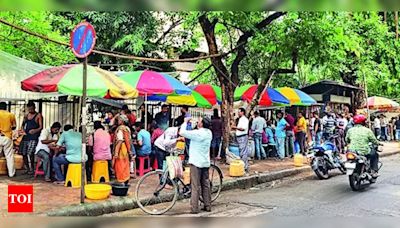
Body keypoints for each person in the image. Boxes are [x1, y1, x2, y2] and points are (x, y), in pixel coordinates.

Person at [179, 116, 212, 214]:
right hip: (205, 162)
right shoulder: (209, 133)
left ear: (201, 124)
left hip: (196, 163)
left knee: (195, 186)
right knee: (205, 185)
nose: (197, 122)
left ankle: (194, 208)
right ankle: (208, 205)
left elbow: (182, 132)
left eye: (199, 121)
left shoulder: (198, 133)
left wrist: (185, 122)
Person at [20, 101, 43, 174]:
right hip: (26, 136)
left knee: (30, 153)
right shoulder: (26, 116)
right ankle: (27, 168)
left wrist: (35, 130)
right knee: (23, 153)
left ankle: (32, 168)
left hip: (34, 137)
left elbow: (41, 127)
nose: (30, 110)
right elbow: (23, 125)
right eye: (29, 109)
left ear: (34, 108)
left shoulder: (38, 115)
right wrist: (22, 131)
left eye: (32, 109)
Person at [112, 115, 133, 184]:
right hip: (126, 149)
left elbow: (120, 140)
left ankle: (121, 180)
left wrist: (116, 152)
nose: (118, 121)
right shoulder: (127, 129)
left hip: (121, 148)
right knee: (125, 164)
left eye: (119, 120)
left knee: (120, 165)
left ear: (122, 121)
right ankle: (126, 178)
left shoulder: (120, 129)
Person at [0, 102, 16, 177]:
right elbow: (14, 127)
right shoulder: (11, 115)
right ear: (6, 107)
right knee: (9, 156)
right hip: (7, 137)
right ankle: (11, 174)